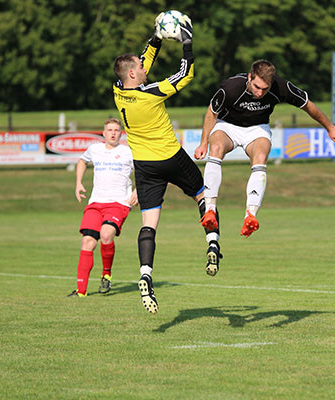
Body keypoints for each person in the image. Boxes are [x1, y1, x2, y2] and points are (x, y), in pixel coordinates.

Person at [113, 13, 220, 315]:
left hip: (145, 166)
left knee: (149, 223)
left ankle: (145, 273)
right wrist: (186, 42)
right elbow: (186, 75)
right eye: (140, 67)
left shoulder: (118, 90)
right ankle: (212, 243)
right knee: (203, 194)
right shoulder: (151, 94)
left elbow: (141, 63)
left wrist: (157, 38)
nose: (144, 69)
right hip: (172, 157)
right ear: (133, 74)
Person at [194, 60, 335, 238]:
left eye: (265, 89)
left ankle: (251, 215)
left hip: (257, 128)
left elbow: (308, 105)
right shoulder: (231, 87)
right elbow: (212, 112)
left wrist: (330, 127)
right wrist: (204, 142)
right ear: (250, 77)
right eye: (257, 87)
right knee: (216, 147)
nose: (260, 93)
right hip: (228, 126)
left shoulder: (281, 87)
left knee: (260, 156)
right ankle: (210, 209)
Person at [68, 118, 138, 297]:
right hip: (96, 203)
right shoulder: (95, 149)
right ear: (104, 133)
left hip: (118, 203)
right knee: (87, 242)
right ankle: (81, 291)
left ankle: (106, 273)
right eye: (110, 130)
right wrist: (78, 183)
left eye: (116, 130)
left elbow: (144, 170)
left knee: (106, 235)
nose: (113, 133)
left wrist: (138, 191)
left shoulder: (128, 151)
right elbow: (82, 161)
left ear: (121, 133)